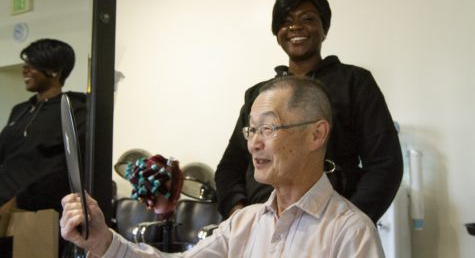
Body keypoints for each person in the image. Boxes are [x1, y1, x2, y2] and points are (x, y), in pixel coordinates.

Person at [60, 76, 385, 257]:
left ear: (317, 134)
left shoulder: (351, 233)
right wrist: (103, 241)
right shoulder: (244, 224)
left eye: (268, 128)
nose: (254, 143)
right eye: (251, 129)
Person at [215, 0, 403, 223]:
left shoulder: (355, 83)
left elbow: (385, 163)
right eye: (286, 21)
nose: (295, 27)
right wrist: (240, 216)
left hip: (331, 225)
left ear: (324, 29)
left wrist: (349, 223)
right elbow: (230, 167)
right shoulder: (259, 95)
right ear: (277, 33)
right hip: (263, 226)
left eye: (308, 19)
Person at [0, 38, 86, 213]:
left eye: (32, 64)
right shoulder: (20, 110)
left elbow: (66, 170)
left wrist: (19, 202)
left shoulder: (73, 108)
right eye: (25, 63)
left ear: (54, 70)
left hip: (34, 212)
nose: (25, 69)